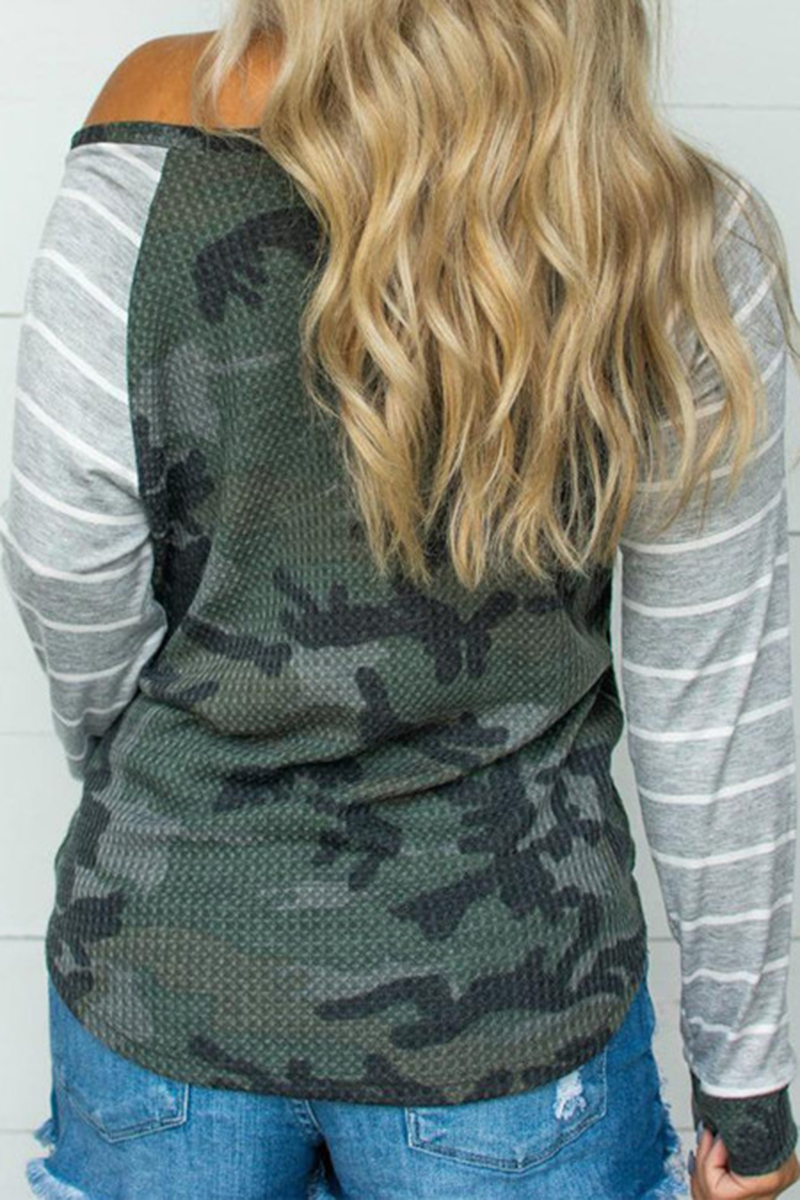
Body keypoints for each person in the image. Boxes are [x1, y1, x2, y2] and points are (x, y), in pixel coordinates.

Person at [2, 4, 799, 1198]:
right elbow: (709, 709)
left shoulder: (153, 143)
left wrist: (147, 772)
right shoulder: (681, 235)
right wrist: (748, 1084)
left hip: (168, 989)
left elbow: (68, 567)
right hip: (509, 1020)